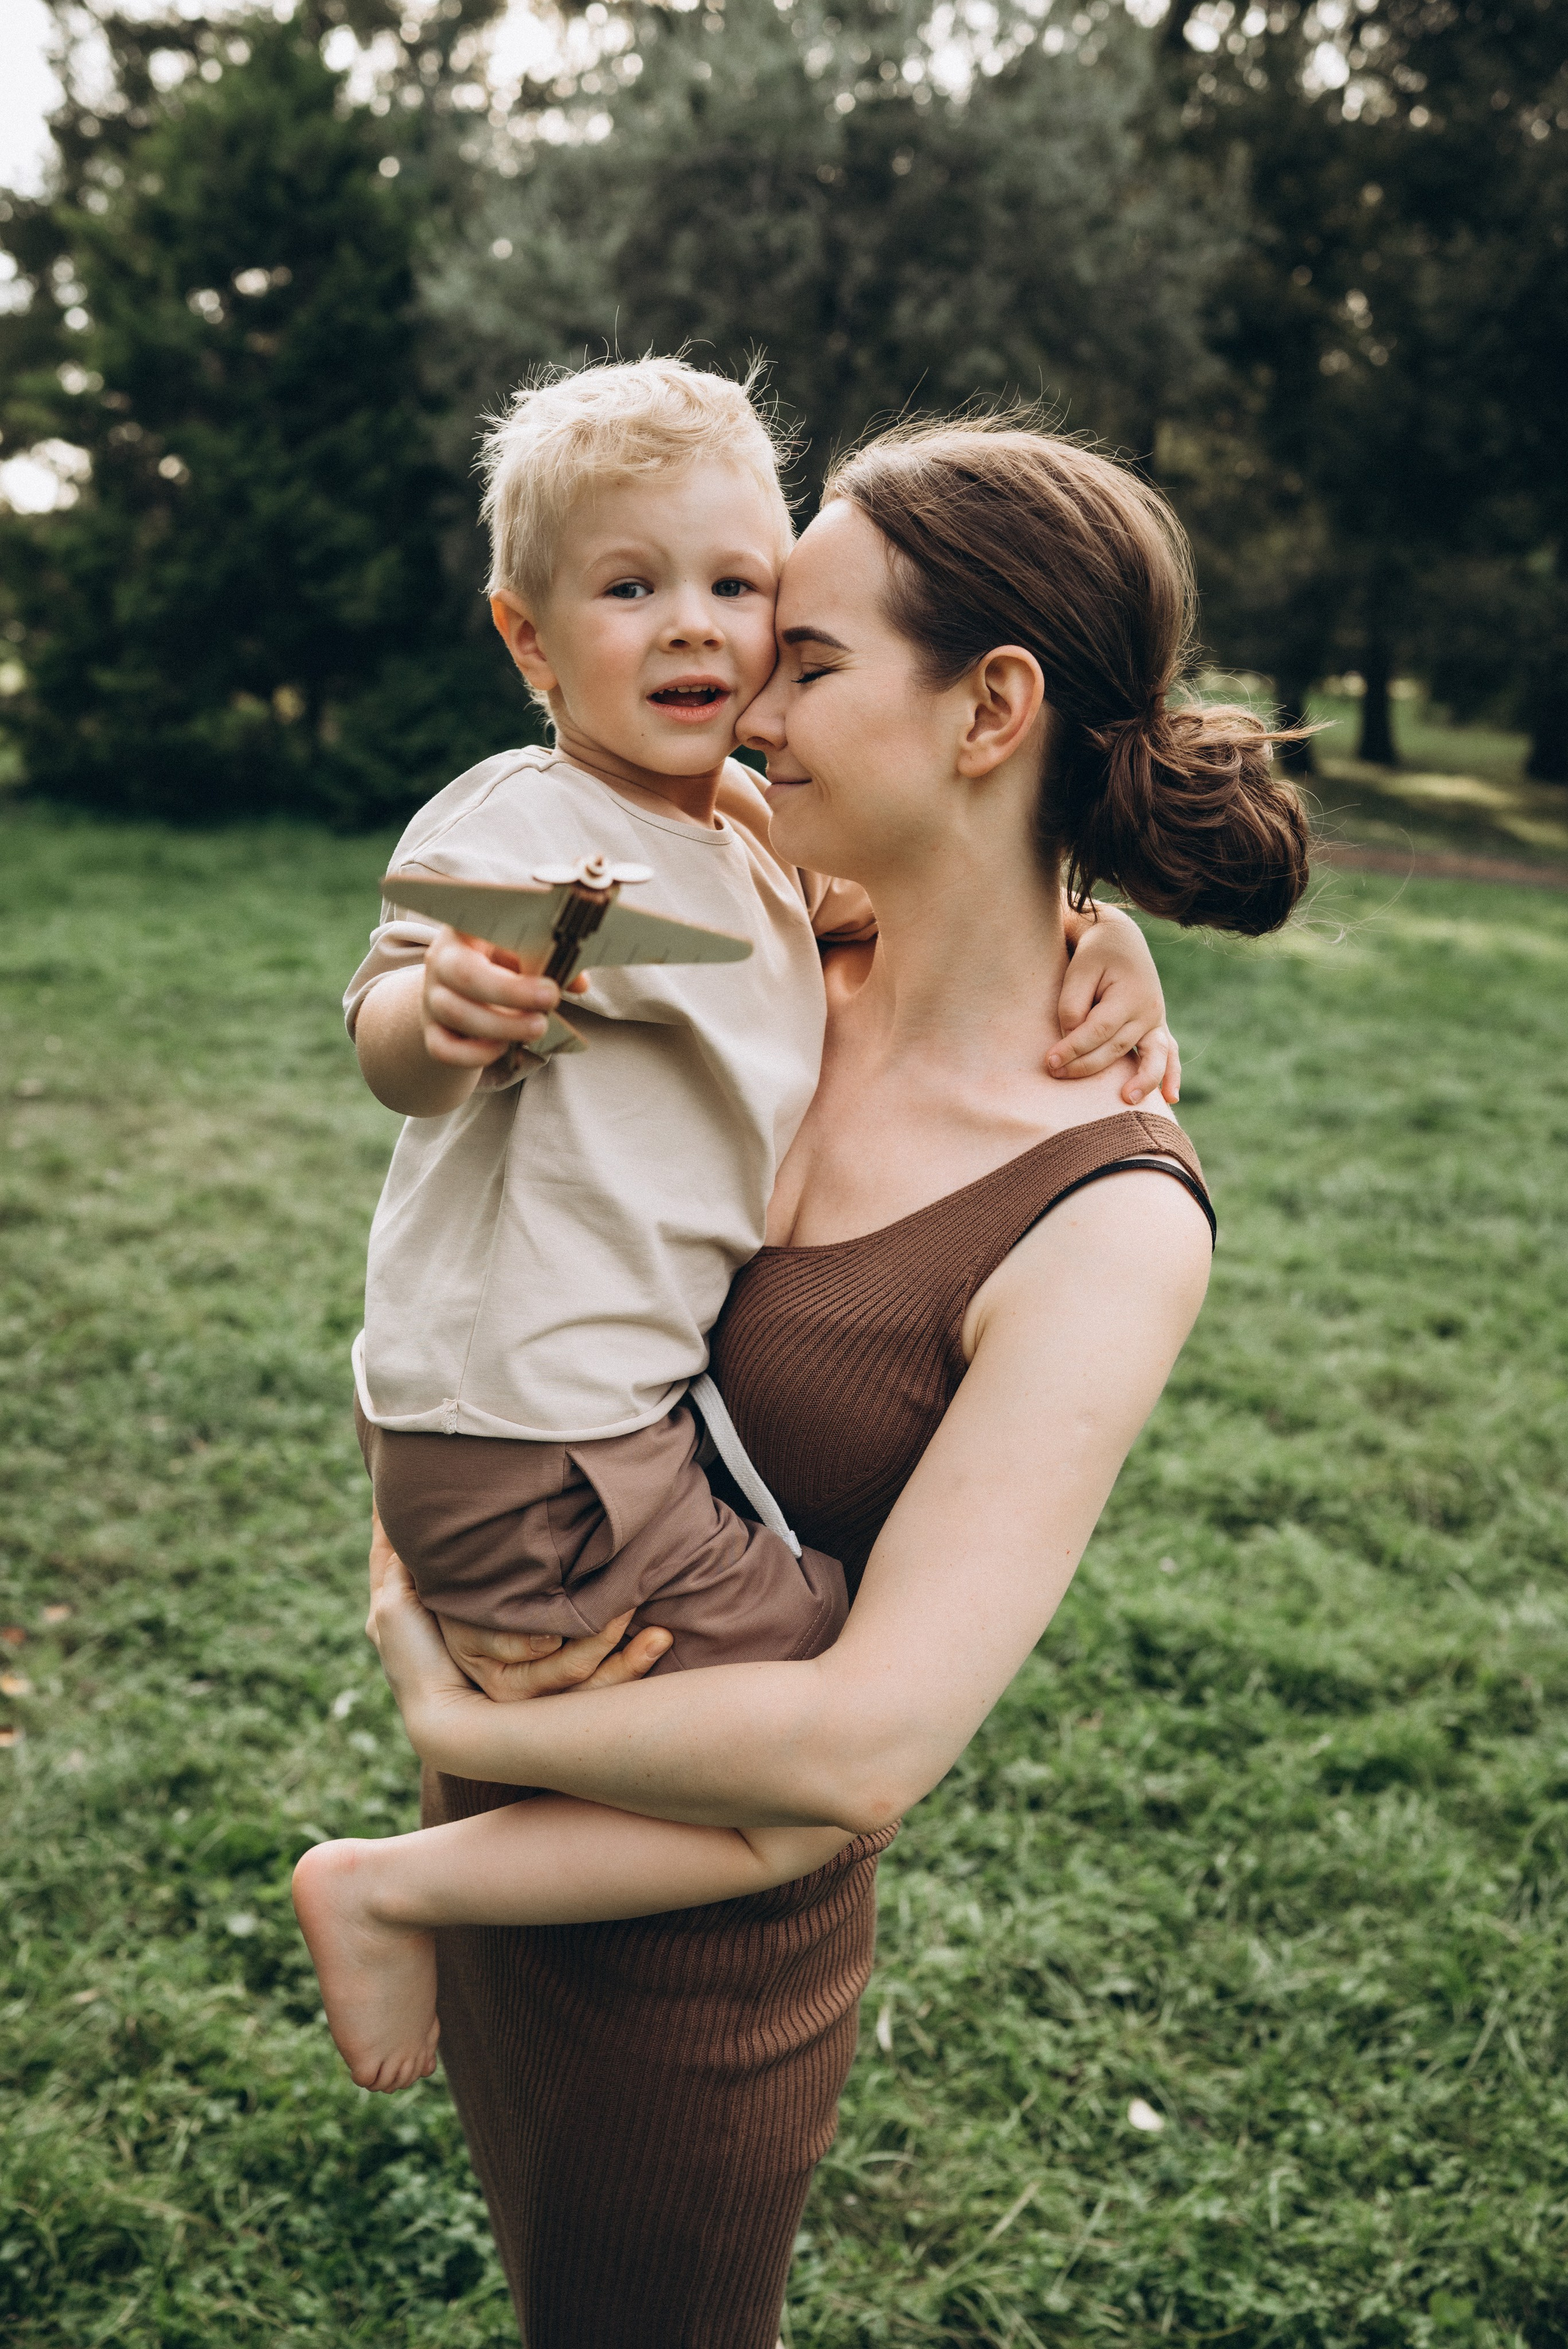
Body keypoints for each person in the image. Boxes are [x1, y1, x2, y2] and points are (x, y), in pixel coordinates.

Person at [326, 416, 1311, 2349]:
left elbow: (866, 1750)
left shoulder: (1107, 1215)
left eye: (803, 655)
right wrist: (409, 1566)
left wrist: (440, 1692)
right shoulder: (750, 955)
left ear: (991, 709)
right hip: (506, 1835)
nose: (742, 701)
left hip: (693, 1966)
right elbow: (489, 1225)